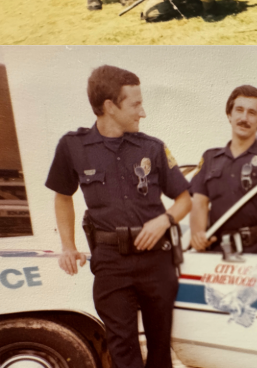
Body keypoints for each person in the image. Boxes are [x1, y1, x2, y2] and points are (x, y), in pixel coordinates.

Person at [45, 65, 191, 368]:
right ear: (110, 107)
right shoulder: (73, 146)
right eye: (135, 104)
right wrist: (68, 246)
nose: (143, 112)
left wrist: (164, 220)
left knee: (161, 349)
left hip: (157, 259)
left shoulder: (152, 147)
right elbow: (62, 196)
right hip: (111, 261)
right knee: (123, 350)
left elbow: (184, 199)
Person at [190, 85, 257, 255]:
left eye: (252, 113)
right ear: (229, 115)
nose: (244, 118)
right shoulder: (210, 158)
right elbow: (199, 204)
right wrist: (197, 235)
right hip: (219, 252)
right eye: (239, 110)